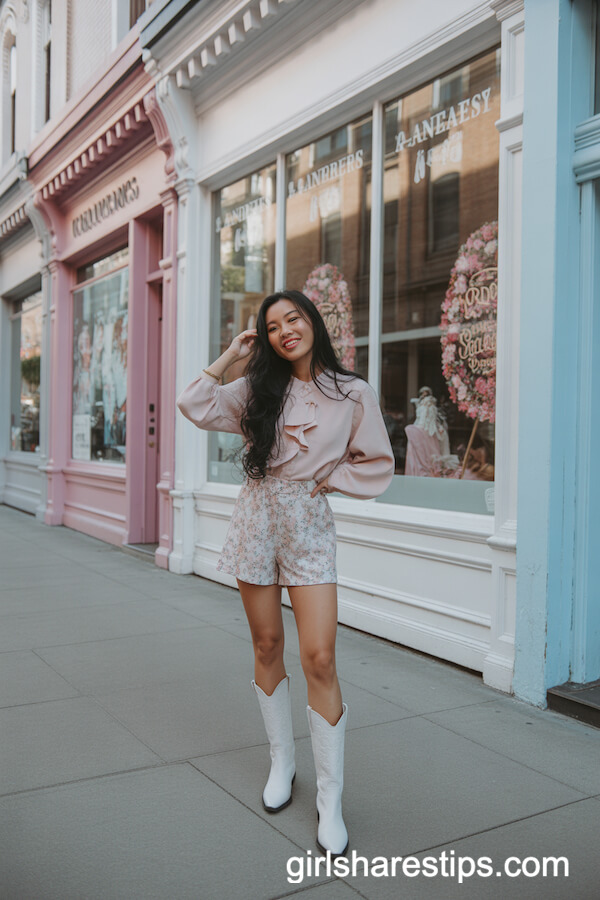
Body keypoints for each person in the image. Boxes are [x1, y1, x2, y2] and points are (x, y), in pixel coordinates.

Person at [177, 290, 394, 856]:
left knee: (319, 655)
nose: (283, 331)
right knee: (267, 641)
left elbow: (375, 460)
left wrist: (328, 482)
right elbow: (194, 403)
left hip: (308, 524)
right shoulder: (257, 388)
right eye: (271, 326)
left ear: (313, 322)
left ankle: (331, 800)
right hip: (255, 517)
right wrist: (231, 354)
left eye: (292, 318)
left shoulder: (352, 393)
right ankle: (282, 763)